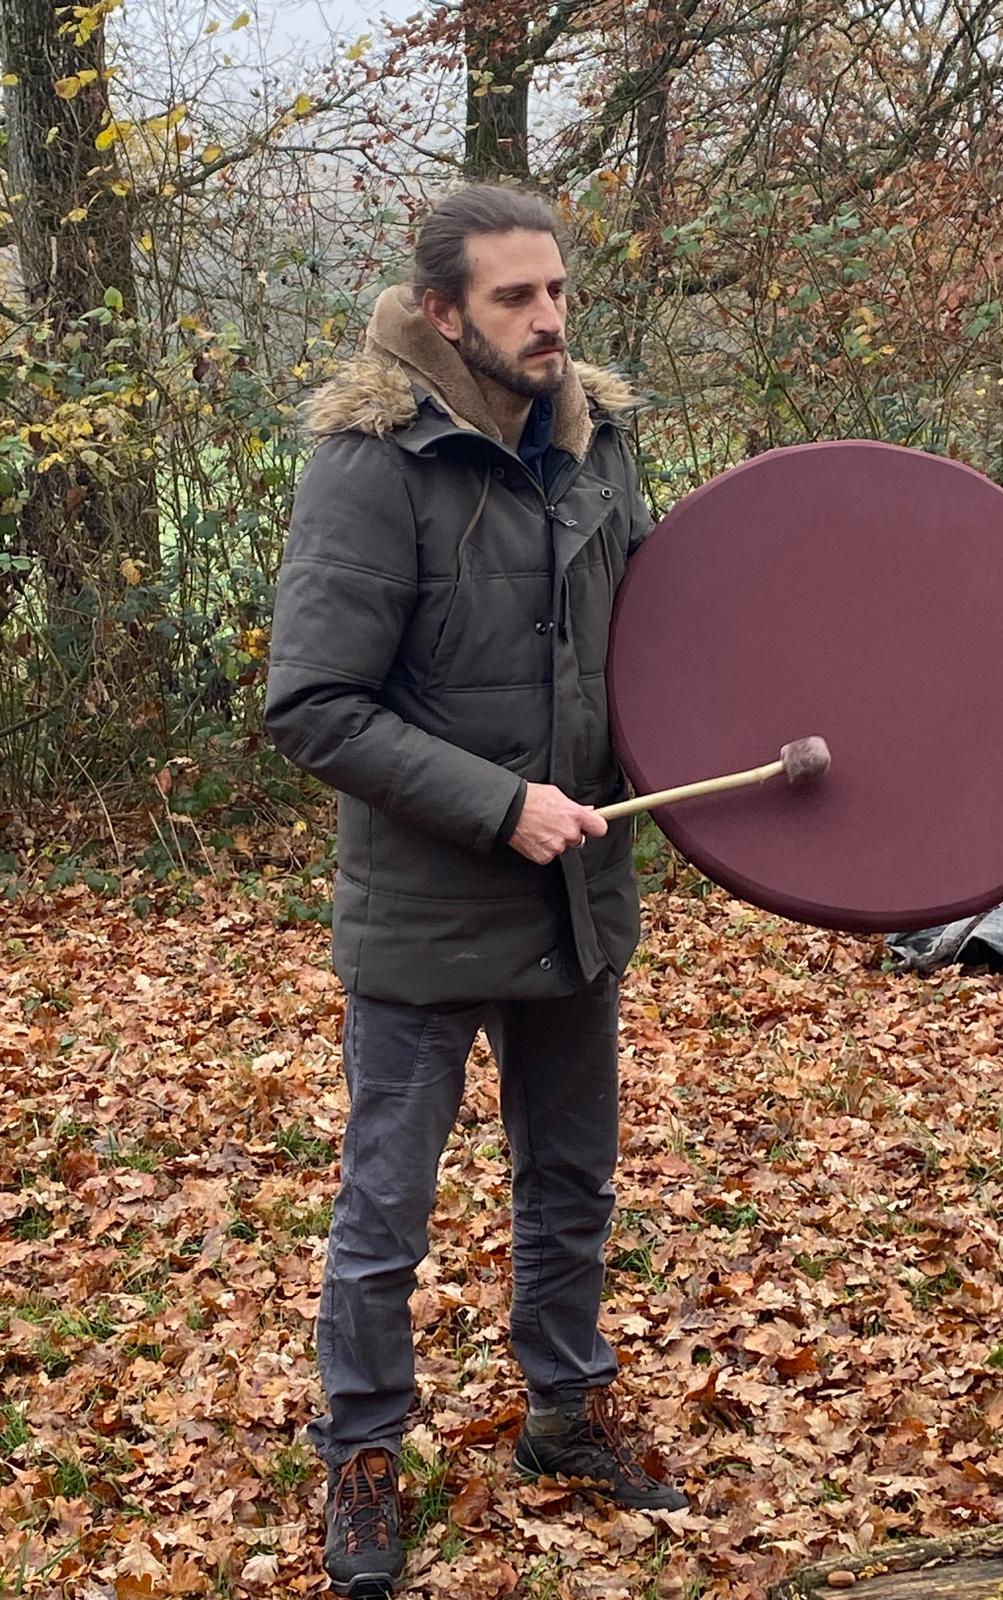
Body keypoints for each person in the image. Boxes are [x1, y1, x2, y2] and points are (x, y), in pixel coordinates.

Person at [264, 183, 686, 1599]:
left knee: (570, 1180)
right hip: (429, 908)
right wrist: (501, 807)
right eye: (516, 297)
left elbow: (665, 640)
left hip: (578, 899)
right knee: (386, 1207)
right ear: (444, 312)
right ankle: (362, 1454)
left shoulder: (596, 443)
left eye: (557, 289)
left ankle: (565, 1411)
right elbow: (315, 705)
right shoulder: (371, 466)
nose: (549, 319)